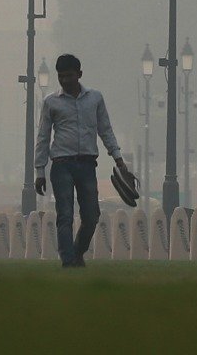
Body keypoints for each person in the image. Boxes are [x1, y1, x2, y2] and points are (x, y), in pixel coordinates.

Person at [34, 52, 129, 269]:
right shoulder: (51, 102)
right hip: (61, 164)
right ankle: (68, 261)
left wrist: (118, 159)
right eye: (61, 77)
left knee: (91, 215)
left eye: (69, 76)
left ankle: (78, 252)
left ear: (79, 74)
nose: (65, 81)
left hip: (87, 164)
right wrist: (39, 171)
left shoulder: (95, 98)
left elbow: (105, 129)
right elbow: (43, 137)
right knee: (65, 214)